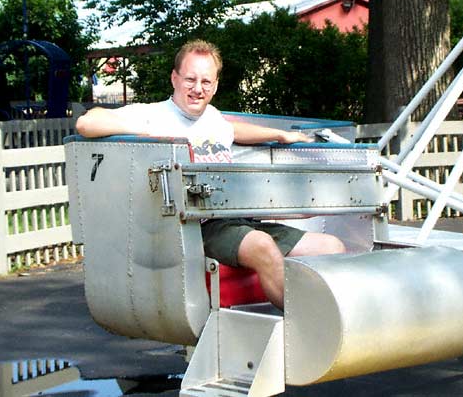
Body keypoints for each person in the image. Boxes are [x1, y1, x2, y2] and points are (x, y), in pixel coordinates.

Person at [76, 39, 346, 308]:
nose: (197, 89)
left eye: (206, 82)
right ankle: (310, 326)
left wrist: (280, 134)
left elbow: (235, 130)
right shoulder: (153, 115)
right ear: (174, 78)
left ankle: (336, 319)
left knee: (331, 247)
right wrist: (147, 133)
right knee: (262, 245)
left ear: (215, 85)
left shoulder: (213, 118)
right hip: (197, 228)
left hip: (239, 220)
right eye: (190, 79)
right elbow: (87, 122)